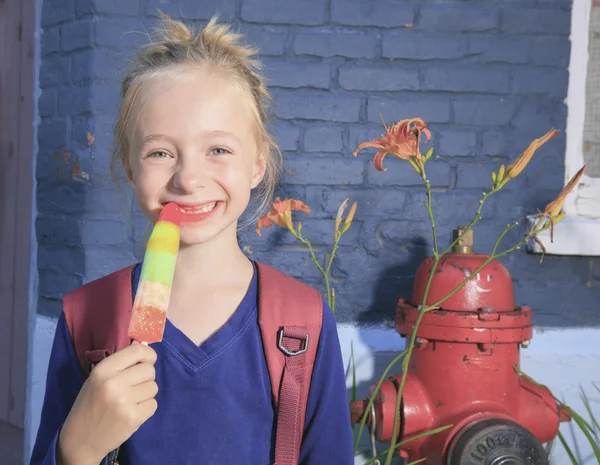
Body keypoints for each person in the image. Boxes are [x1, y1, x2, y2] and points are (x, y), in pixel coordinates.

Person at [30, 13, 354, 465]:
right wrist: (76, 450)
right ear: (129, 168)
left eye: (218, 149)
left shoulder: (304, 323)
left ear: (258, 163)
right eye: (160, 152)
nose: (188, 179)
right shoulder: (85, 318)